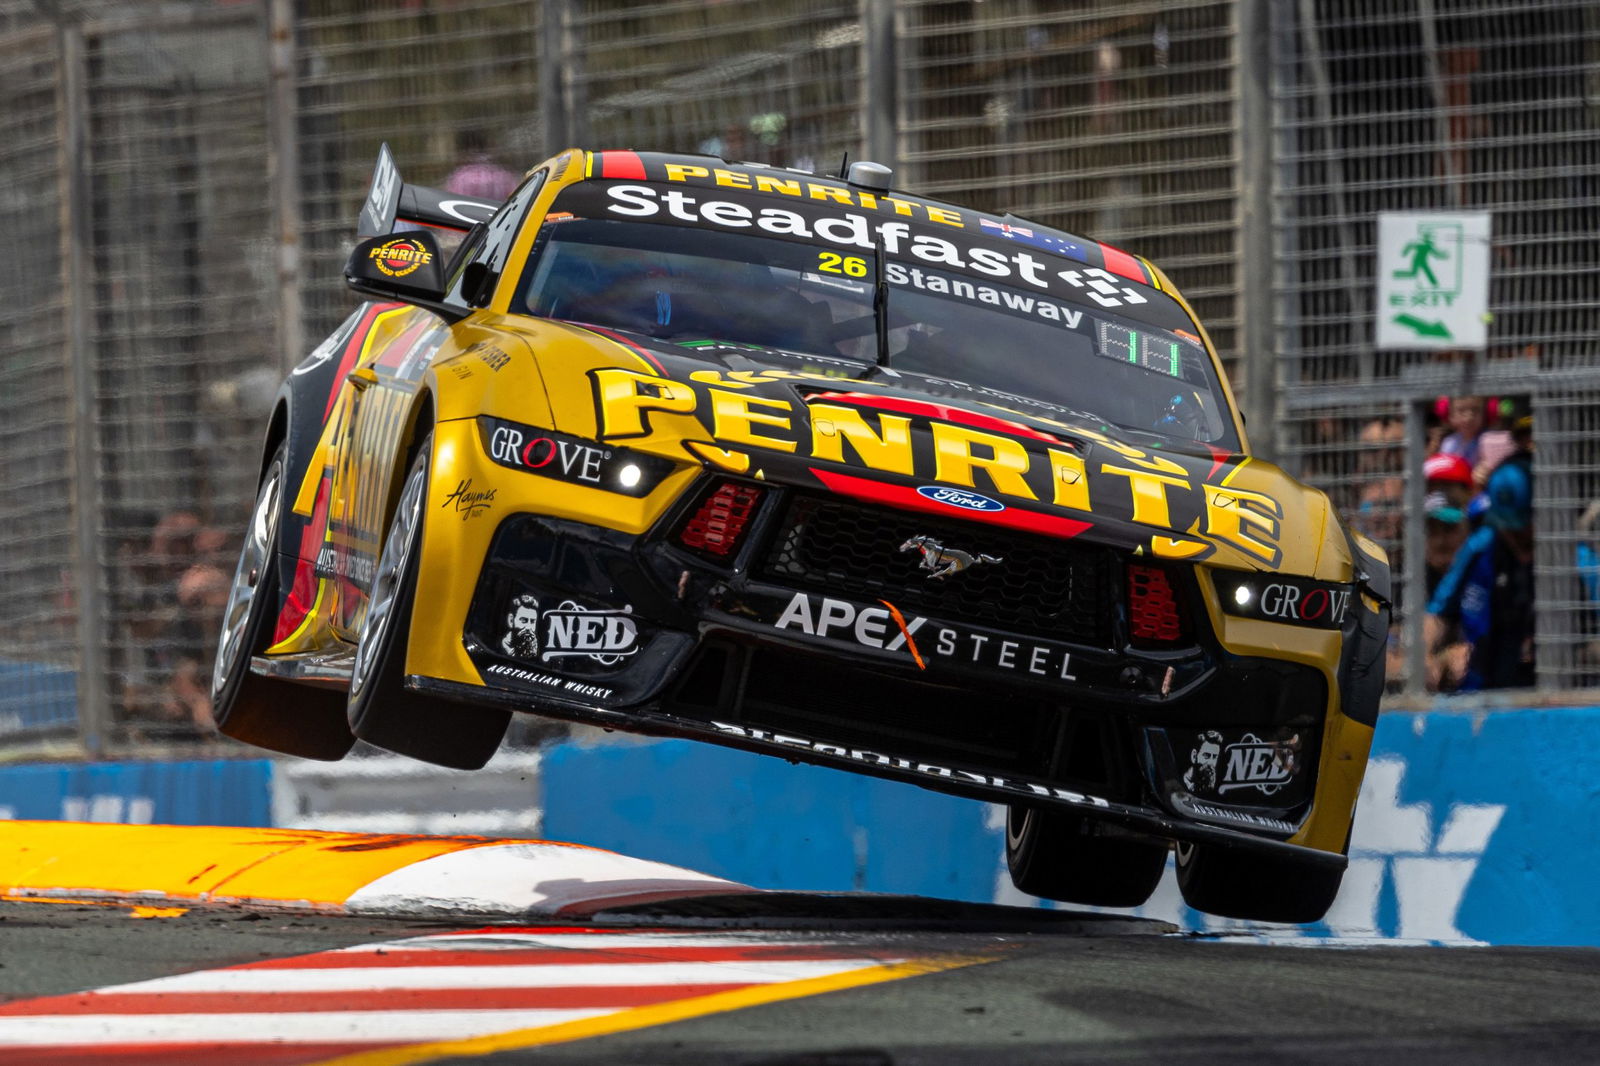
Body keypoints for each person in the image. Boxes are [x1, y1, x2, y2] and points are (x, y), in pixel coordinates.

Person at [1424, 425, 1534, 691]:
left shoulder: (1572, 558)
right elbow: (1437, 615)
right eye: (1508, 527)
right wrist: (1427, 658)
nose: (1514, 535)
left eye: (1521, 527)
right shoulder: (1480, 547)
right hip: (1481, 695)